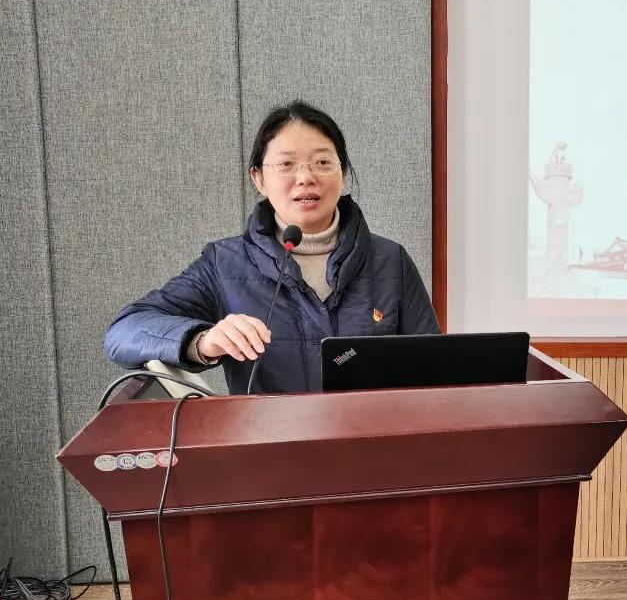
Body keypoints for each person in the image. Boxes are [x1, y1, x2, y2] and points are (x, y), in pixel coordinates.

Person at [104, 101, 440, 394]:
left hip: (371, 443)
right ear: (259, 179)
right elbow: (123, 333)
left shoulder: (389, 261)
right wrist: (202, 341)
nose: (306, 177)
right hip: (268, 444)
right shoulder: (225, 264)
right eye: (286, 164)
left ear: (343, 173)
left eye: (323, 162)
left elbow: (433, 370)